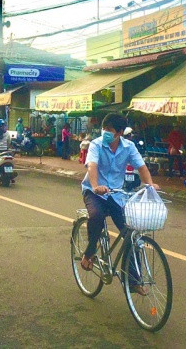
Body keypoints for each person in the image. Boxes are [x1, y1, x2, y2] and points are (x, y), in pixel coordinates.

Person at [80, 114, 156, 295]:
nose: (105, 132)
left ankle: (133, 280)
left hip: (116, 194)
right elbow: (92, 166)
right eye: (104, 128)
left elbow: (142, 167)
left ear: (120, 132)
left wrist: (150, 185)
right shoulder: (96, 145)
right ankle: (89, 253)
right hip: (94, 192)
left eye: (109, 130)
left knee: (131, 234)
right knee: (97, 216)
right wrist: (96, 186)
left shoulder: (129, 147)